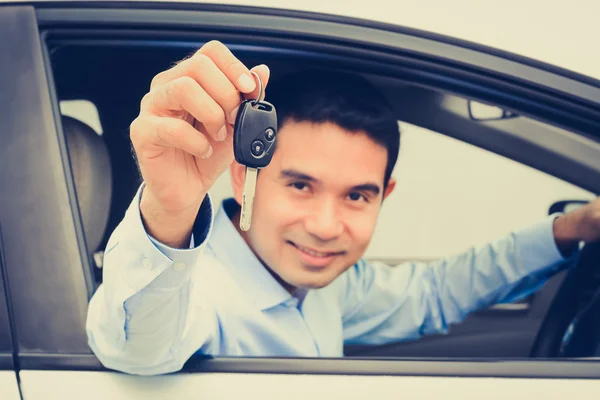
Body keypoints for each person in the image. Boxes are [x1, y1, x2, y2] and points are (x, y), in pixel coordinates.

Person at [86, 41, 600, 376]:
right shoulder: (204, 295)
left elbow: (433, 294)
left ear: (384, 195)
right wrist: (170, 210)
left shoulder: (326, 287)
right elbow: (136, 349)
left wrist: (572, 229)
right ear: (245, 174)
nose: (326, 228)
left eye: (356, 196)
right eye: (301, 185)